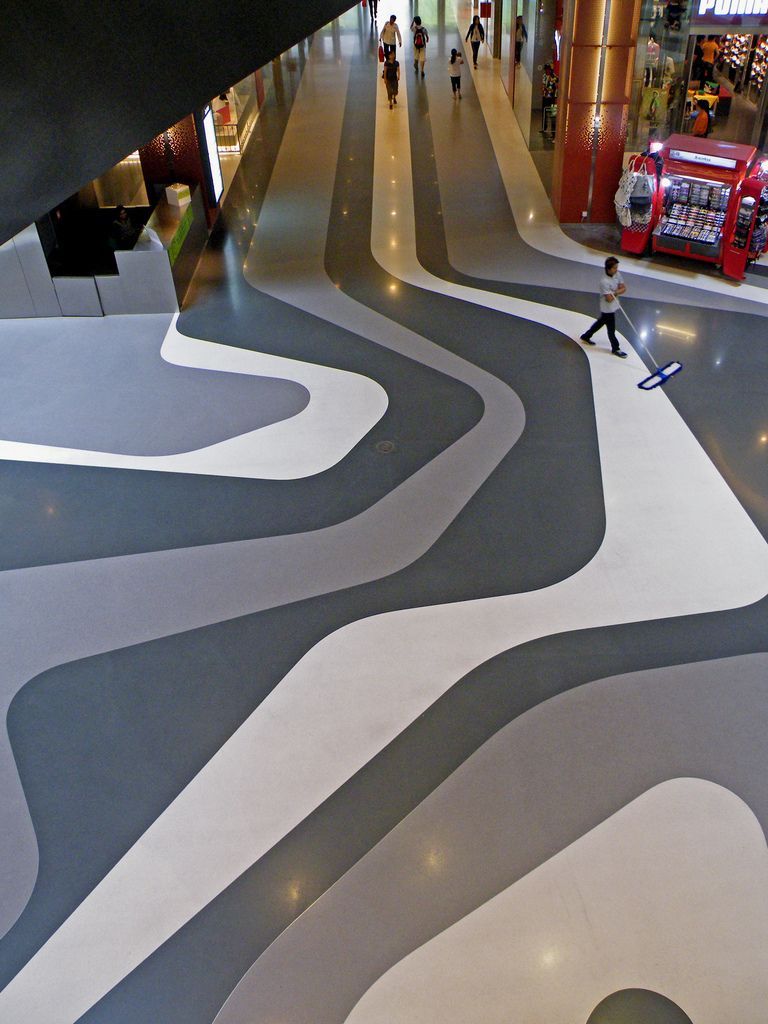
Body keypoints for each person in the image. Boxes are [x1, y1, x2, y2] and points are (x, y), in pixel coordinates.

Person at [579, 257, 629, 358]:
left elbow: (624, 288)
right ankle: (616, 348)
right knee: (611, 329)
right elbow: (609, 299)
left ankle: (586, 336)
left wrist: (614, 292)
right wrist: (616, 292)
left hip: (613, 305)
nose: (616, 270)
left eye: (617, 267)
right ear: (608, 269)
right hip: (607, 308)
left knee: (600, 322)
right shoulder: (604, 282)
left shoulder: (617, 275)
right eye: (614, 268)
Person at [540, 63, 558, 135]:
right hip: (545, 97)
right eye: (546, 70)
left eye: (548, 69)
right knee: (544, 113)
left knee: (553, 115)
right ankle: (544, 128)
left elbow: (554, 89)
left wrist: (548, 89)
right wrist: (543, 90)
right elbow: (543, 85)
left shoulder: (554, 77)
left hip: (552, 99)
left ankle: (553, 133)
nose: (546, 71)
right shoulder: (544, 76)